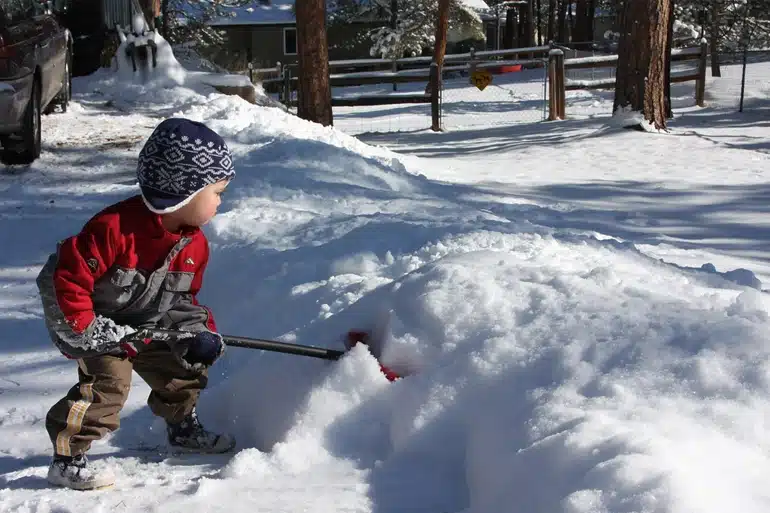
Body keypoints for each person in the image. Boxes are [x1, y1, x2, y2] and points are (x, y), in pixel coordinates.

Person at [36, 118, 236, 490]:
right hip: (96, 324)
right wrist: (90, 331)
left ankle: (181, 428)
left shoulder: (195, 246)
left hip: (146, 323)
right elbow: (68, 279)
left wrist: (198, 330)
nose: (221, 202)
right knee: (109, 385)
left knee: (182, 365)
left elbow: (181, 300)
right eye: (217, 192)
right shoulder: (113, 229)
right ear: (185, 192)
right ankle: (67, 457)